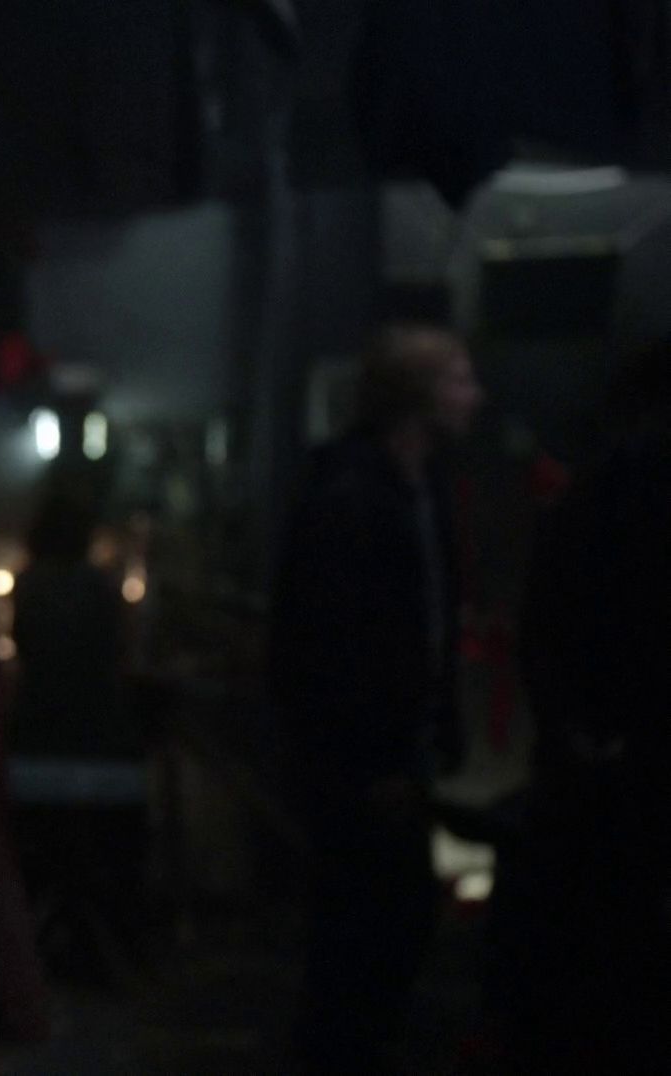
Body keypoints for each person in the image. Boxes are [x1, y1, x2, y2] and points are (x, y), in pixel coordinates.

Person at [269, 322, 484, 1074]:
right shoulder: (355, 493)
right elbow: (333, 643)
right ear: (417, 396)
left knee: (387, 928)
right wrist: (372, 759)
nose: (474, 396)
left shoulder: (414, 486)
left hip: (391, 753)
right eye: (459, 379)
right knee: (365, 936)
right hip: (362, 763)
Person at [494, 339, 671, 1071]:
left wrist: (576, 734)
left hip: (590, 776)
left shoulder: (586, 500)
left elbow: (542, 637)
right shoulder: (618, 497)